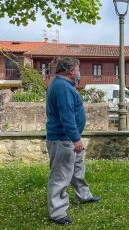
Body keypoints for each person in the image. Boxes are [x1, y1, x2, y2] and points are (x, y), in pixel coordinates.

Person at [46, 57, 101, 225]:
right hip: (64, 139)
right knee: (60, 175)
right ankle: (57, 212)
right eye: (78, 69)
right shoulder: (62, 87)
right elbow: (67, 116)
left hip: (68, 138)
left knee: (77, 169)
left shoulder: (62, 85)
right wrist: (75, 138)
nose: (79, 73)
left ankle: (83, 196)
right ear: (70, 70)